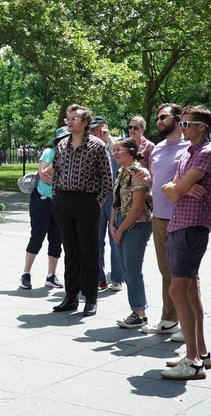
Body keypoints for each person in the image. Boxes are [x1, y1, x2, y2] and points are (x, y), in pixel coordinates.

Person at [160, 105, 211, 380]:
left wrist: (178, 188)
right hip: (179, 225)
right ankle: (201, 354)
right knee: (190, 290)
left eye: (186, 124)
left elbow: (177, 189)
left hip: (191, 227)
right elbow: (169, 189)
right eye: (181, 123)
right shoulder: (188, 153)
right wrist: (178, 188)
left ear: (201, 127)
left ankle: (193, 361)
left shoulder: (207, 154)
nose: (181, 128)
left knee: (177, 290)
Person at [131, 103, 189, 338]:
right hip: (160, 217)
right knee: (166, 271)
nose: (159, 121)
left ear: (178, 118)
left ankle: (189, 325)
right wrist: (145, 182)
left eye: (163, 117)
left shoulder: (190, 147)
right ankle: (169, 319)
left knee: (186, 274)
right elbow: (156, 181)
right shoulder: (158, 149)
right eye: (157, 118)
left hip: (183, 218)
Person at [51, 104, 113, 317]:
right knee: (70, 251)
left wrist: (98, 201)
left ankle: (91, 298)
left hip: (88, 203)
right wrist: (55, 198)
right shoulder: (60, 146)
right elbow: (56, 174)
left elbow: (107, 178)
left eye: (75, 119)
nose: (70, 122)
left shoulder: (97, 146)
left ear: (85, 123)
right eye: (69, 118)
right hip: (64, 202)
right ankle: (70, 296)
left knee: (89, 251)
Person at [109, 138, 153, 328]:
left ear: (131, 151)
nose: (115, 153)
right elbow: (115, 200)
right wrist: (112, 223)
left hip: (135, 224)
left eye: (119, 150)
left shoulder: (138, 172)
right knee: (127, 271)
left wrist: (120, 230)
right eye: (114, 150)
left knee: (133, 271)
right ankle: (138, 312)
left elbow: (137, 208)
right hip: (120, 222)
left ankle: (139, 313)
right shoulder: (120, 171)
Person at [19, 127, 67, 290]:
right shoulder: (49, 152)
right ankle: (26, 273)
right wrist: (58, 161)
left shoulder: (73, 155)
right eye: (63, 139)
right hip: (42, 200)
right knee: (37, 237)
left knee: (56, 239)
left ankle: (51, 275)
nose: (66, 142)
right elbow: (44, 175)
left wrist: (58, 180)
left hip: (60, 202)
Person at [90, 115, 124, 292]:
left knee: (115, 238)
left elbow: (123, 164)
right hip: (96, 198)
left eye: (96, 128)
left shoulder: (116, 145)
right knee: (96, 240)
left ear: (104, 128)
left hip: (114, 199)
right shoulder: (89, 145)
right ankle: (100, 278)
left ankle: (117, 278)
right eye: (91, 129)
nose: (93, 132)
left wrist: (109, 140)